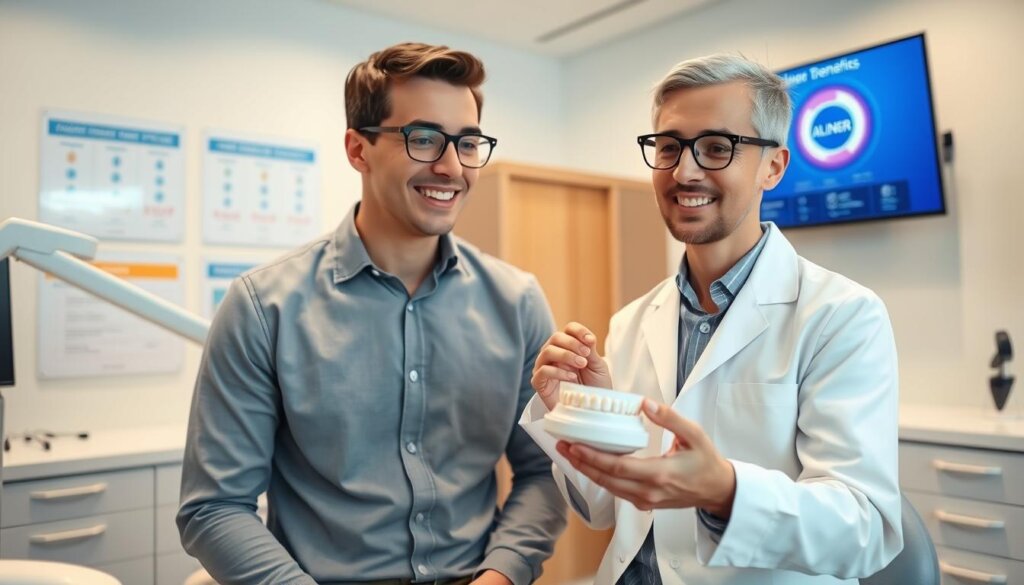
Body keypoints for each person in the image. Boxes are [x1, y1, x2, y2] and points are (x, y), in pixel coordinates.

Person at [178, 42, 566, 585]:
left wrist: (501, 576)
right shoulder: (264, 307)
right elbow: (213, 508)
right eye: (424, 139)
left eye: (468, 142)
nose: (452, 167)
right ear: (358, 150)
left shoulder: (517, 301)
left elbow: (542, 472)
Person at [520, 53, 903, 584]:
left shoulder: (842, 317)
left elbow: (866, 529)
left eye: (718, 148)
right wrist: (578, 418)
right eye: (669, 147)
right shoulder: (632, 321)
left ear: (774, 165)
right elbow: (605, 511)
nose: (684, 171)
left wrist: (724, 490)